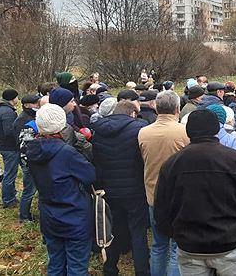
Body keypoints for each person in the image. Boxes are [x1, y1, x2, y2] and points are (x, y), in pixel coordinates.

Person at [154, 109, 236, 276]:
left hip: (197, 245)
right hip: (226, 243)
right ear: (216, 129)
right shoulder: (234, 160)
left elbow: (161, 209)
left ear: (188, 131)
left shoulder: (171, 164)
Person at [27, 103, 96, 275]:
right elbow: (90, 176)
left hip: (49, 216)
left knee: (55, 264)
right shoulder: (67, 152)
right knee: (77, 267)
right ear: (61, 124)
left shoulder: (32, 149)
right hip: (74, 217)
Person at [91, 100, 150, 276]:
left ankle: (110, 269)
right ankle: (142, 271)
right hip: (135, 189)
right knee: (138, 232)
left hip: (109, 189)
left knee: (112, 231)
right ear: (132, 113)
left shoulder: (98, 130)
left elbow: (96, 159)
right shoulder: (138, 129)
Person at [139, 91, 190, 276]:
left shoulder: (143, 133)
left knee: (159, 244)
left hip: (153, 195)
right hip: (179, 198)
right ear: (177, 109)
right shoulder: (185, 132)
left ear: (156, 107)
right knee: (178, 247)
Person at [12, 94, 40, 222]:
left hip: (31, 159)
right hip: (27, 160)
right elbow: (22, 144)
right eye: (35, 104)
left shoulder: (30, 117)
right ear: (27, 105)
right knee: (29, 190)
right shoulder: (22, 121)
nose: (37, 106)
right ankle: (24, 217)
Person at [0, 89, 19, 209]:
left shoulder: (2, 109)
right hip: (9, 147)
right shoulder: (7, 112)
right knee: (10, 174)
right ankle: (8, 200)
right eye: (17, 97)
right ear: (12, 98)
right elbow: (9, 131)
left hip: (3, 146)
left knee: (9, 173)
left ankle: (11, 196)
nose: (18, 99)